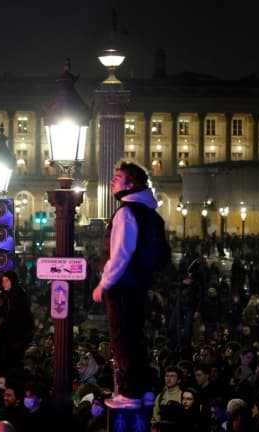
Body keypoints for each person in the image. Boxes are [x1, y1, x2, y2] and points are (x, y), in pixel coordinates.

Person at [92, 160, 164, 410]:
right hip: (140, 285)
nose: (113, 181)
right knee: (136, 336)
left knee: (122, 338)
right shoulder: (149, 213)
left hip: (122, 286)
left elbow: (121, 253)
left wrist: (104, 284)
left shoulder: (126, 212)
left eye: (118, 177)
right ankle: (143, 389)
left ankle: (130, 393)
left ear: (131, 183)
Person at [0, 272, 34, 373]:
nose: (4, 284)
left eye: (7, 281)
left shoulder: (18, 297)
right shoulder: (11, 295)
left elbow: (14, 318)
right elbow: (3, 309)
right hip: (15, 338)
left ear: (13, 281)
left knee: (12, 366)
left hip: (17, 339)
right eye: (3, 281)